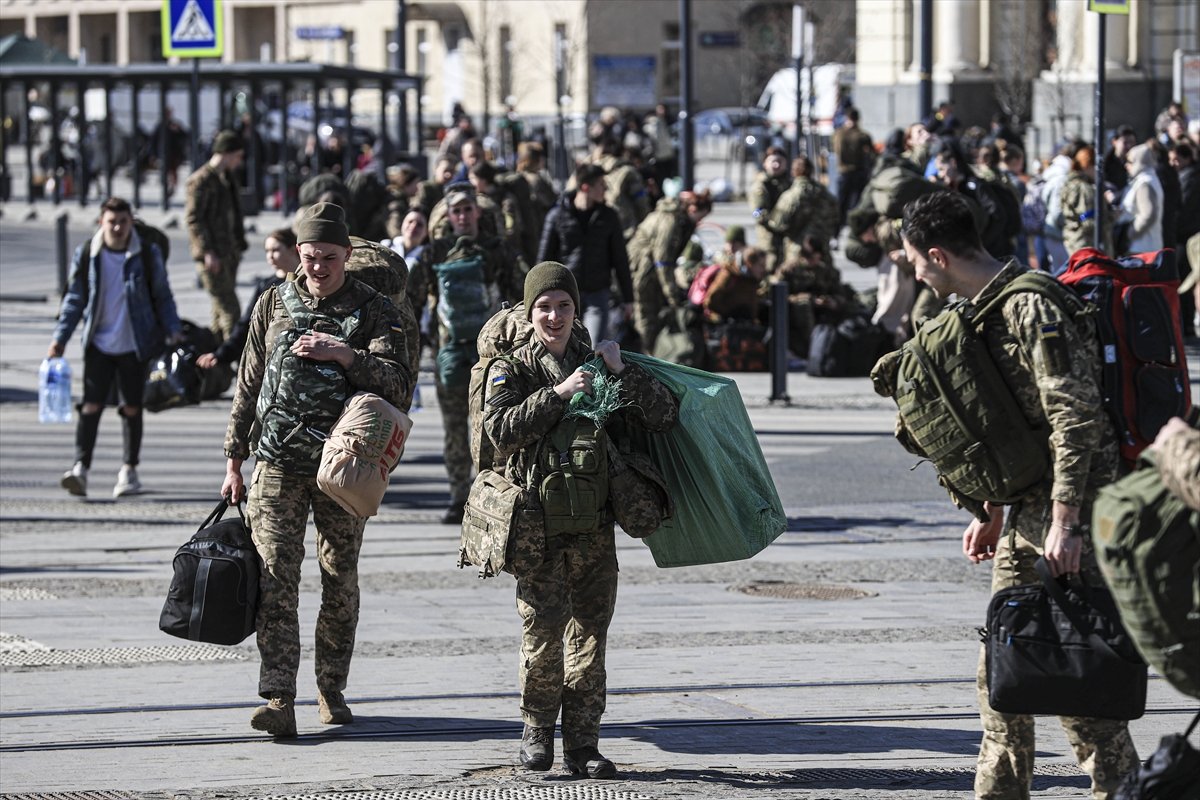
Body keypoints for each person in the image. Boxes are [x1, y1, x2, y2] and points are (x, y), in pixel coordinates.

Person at [900, 191, 1139, 798]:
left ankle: (1123, 790)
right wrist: (994, 512)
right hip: (1031, 510)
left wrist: (1066, 522)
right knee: (1005, 671)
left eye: (915, 263)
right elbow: (1011, 422)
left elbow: (1075, 415)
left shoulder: (1031, 304)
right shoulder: (981, 310)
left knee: (1075, 670)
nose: (915, 275)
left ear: (937, 254)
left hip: (1077, 506)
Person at [220, 202, 412, 739]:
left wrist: (344, 355)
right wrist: (234, 459)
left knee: (338, 578)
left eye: (329, 258)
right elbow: (249, 382)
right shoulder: (272, 302)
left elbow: (398, 384)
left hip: (343, 470)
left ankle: (331, 685)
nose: (318, 268)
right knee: (276, 580)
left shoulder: (375, 310)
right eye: (309, 258)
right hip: (277, 464)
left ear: (348, 256)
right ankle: (279, 695)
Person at [481, 261, 678, 779]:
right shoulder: (512, 367)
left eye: (563, 306)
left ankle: (584, 743)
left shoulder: (597, 359)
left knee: (590, 631)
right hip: (536, 523)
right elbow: (499, 429)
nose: (554, 316)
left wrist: (621, 371)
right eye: (544, 307)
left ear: (576, 310)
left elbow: (663, 415)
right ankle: (536, 731)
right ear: (529, 313)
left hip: (593, 524)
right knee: (541, 630)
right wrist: (560, 393)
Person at [50, 197, 183, 498]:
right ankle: (80, 468)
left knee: (132, 408)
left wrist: (173, 330)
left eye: (123, 221)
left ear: (130, 222)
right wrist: (60, 338)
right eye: (112, 221)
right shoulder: (88, 254)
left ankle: (128, 471)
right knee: (91, 406)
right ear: (101, 222)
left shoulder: (146, 254)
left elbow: (162, 295)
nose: (118, 227)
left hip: (135, 345)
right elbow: (74, 299)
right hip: (99, 343)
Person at [413, 182, 527, 525]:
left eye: (467, 209)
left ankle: (492, 495)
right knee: (454, 429)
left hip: (494, 356)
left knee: (492, 428)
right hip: (450, 351)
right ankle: (458, 495)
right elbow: (413, 298)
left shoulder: (498, 250)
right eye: (456, 211)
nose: (462, 216)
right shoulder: (435, 253)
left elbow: (521, 298)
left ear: (478, 212)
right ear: (448, 216)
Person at [537, 163, 633, 345]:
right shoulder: (557, 216)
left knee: (593, 346)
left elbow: (620, 259)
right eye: (601, 184)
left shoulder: (609, 216)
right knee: (565, 347)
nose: (605, 189)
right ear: (585, 187)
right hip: (564, 296)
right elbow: (543, 261)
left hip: (598, 294)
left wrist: (628, 299)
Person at [197, 228, 298, 371]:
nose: (270, 256)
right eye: (267, 251)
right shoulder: (266, 286)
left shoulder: (307, 282)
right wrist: (221, 355)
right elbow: (247, 325)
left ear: (293, 249)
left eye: (275, 250)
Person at [627, 189, 713, 353]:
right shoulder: (670, 221)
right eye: (701, 216)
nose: (701, 221)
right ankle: (645, 356)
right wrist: (671, 293)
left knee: (651, 315)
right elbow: (663, 260)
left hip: (647, 270)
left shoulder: (680, 220)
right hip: (642, 272)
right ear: (693, 210)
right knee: (646, 316)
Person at [185, 129, 248, 343]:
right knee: (231, 310)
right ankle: (236, 359)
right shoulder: (200, 181)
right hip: (213, 256)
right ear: (227, 153)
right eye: (238, 156)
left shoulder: (227, 179)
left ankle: (216, 364)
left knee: (219, 312)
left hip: (229, 253)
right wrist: (207, 251)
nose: (239, 162)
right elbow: (194, 220)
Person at [767, 155, 838, 267]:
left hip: (797, 254)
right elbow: (836, 219)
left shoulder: (791, 196)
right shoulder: (826, 195)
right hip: (822, 251)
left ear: (794, 172)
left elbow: (777, 224)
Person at [1059, 144, 1113, 257]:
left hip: (1074, 242)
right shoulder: (1083, 188)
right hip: (1085, 246)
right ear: (1087, 165)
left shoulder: (1070, 184)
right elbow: (1088, 220)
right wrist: (1111, 218)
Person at [1114, 142, 1164, 254]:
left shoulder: (1144, 183)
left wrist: (1128, 234)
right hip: (1144, 247)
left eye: (1130, 161)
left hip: (1141, 248)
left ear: (1139, 162)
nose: (1126, 165)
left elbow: (1148, 215)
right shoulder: (1147, 179)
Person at [748, 146, 792, 271]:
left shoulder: (788, 184)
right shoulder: (761, 186)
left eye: (780, 161)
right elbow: (758, 213)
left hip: (787, 240)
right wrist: (778, 224)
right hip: (769, 240)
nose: (776, 165)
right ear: (765, 163)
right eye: (773, 161)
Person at [832, 107, 874, 230]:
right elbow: (871, 154)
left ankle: (837, 230)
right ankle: (853, 227)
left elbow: (836, 150)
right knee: (856, 203)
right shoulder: (863, 135)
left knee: (841, 203)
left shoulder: (838, 134)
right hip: (858, 171)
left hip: (844, 172)